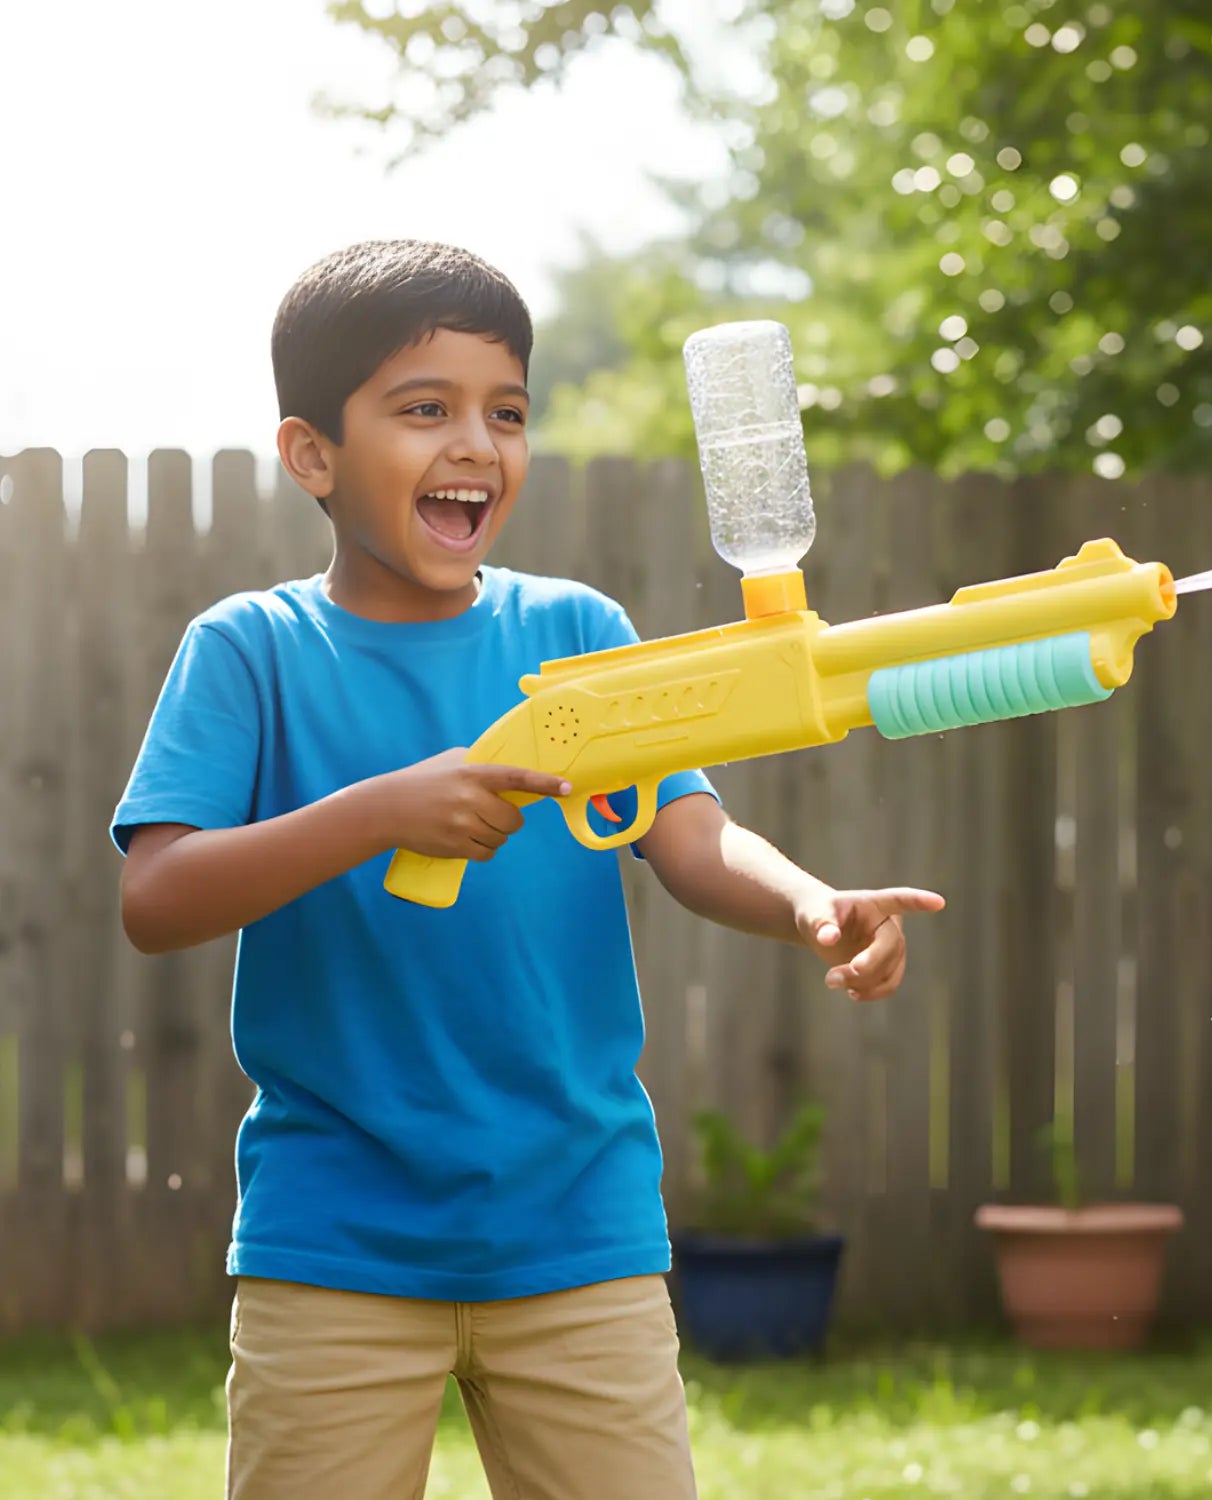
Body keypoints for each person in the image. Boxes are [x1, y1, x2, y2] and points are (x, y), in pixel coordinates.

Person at [112, 238, 944, 1500]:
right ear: (312, 455)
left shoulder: (578, 634)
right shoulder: (250, 651)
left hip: (581, 1226)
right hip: (334, 1235)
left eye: (506, 413)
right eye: (423, 409)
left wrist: (810, 903)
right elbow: (157, 900)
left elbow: (691, 833)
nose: (475, 446)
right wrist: (382, 812)